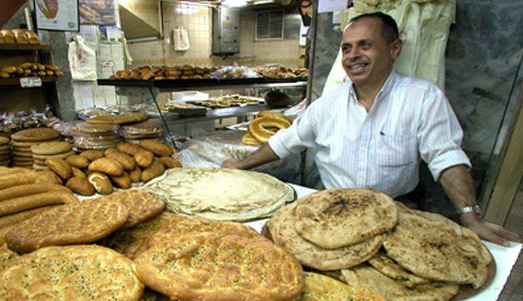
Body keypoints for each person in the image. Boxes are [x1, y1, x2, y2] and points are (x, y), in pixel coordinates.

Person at [223, 12, 520, 246]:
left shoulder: (422, 98)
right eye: (346, 48)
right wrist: (241, 165)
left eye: (365, 45)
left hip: (395, 215)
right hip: (330, 213)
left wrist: (471, 217)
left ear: (394, 49)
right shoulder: (329, 104)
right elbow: (285, 141)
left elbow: (446, 157)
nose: (353, 55)